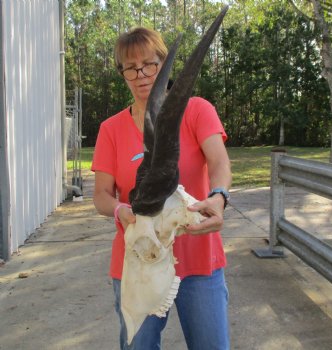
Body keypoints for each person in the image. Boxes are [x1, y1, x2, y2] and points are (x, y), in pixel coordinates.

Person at [92, 27, 232, 350]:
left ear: (163, 63)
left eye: (150, 64)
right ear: (121, 72)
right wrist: (119, 211)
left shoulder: (196, 110)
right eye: (130, 67)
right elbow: (101, 195)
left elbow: (220, 163)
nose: (141, 75)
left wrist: (219, 197)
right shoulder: (110, 129)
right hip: (140, 258)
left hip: (199, 260)